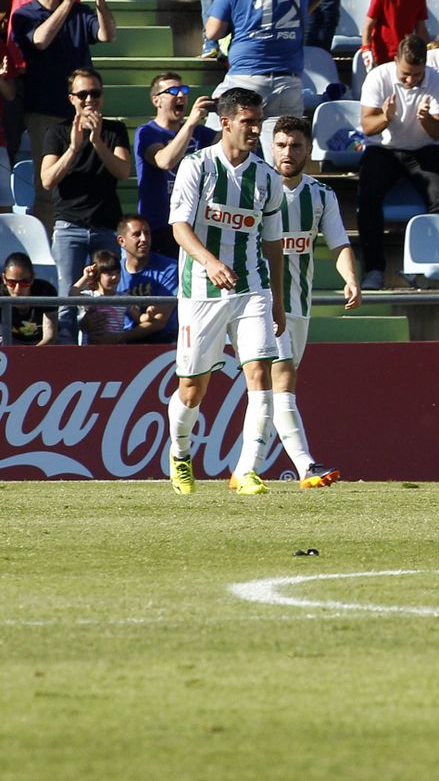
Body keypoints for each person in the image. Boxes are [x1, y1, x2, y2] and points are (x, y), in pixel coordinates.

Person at [164, 87, 286, 496]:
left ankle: (246, 470)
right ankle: (180, 453)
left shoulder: (267, 177)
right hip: (201, 290)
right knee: (192, 389)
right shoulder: (197, 166)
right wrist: (210, 262)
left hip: (252, 287)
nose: (255, 129)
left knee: (260, 372)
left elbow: (273, 244)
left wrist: (278, 300)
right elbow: (179, 227)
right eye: (248, 122)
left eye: (259, 122)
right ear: (226, 122)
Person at [260, 114, 355, 488]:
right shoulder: (259, 190)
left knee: (272, 390)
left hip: (299, 304)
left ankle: (245, 468)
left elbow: (339, 243)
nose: (288, 152)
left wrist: (350, 278)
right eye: (281, 145)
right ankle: (306, 466)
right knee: (282, 378)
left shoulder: (321, 195)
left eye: (296, 146)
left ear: (308, 150)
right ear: (272, 148)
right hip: (261, 302)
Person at [13, 0, 118, 229]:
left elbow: (107, 35)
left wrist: (100, 2)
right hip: (44, 113)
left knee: (88, 181)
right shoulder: (25, 14)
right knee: (48, 190)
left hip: (82, 113)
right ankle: (47, 248)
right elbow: (40, 40)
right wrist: (67, 3)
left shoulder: (80, 12)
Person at [41, 67, 132, 340]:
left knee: (107, 296)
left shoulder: (114, 130)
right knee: (67, 298)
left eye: (95, 93)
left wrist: (98, 143)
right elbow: (47, 179)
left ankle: (102, 350)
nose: (89, 99)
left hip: (106, 225)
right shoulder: (57, 132)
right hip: (69, 226)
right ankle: (67, 352)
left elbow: (123, 171)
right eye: (82, 94)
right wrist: (74, 147)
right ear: (72, 99)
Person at [356, 34, 439, 288]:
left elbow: (437, 133)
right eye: (405, 74)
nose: (411, 80)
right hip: (383, 149)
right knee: (367, 198)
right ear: (396, 60)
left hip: (423, 149)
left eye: (417, 75)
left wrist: (425, 119)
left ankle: (425, 269)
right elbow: (367, 126)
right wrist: (386, 117)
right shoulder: (378, 77)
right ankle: (374, 269)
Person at [205, 0, 311, 118]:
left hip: (246, 77)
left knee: (220, 131)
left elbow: (213, 31)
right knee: (284, 137)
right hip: (288, 81)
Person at [134, 73, 217, 258]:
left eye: (183, 90)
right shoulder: (147, 132)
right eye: (172, 91)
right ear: (156, 100)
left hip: (193, 224)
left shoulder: (200, 132)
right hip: (160, 226)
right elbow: (164, 161)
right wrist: (191, 123)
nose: (180, 95)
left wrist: (228, 112)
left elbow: (230, 143)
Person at [104, 214, 177, 345]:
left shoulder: (170, 268)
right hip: (121, 344)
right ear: (121, 241)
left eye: (147, 233)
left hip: (162, 344)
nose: (144, 239)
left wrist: (119, 338)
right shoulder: (112, 273)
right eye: (137, 234)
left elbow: (159, 321)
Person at [4, 252, 56, 346]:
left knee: (67, 345)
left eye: (24, 283)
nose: (17, 289)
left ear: (32, 278)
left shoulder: (46, 291)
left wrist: (30, 354)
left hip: (40, 342)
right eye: (12, 283)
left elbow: (50, 337)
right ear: (4, 279)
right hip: (9, 341)